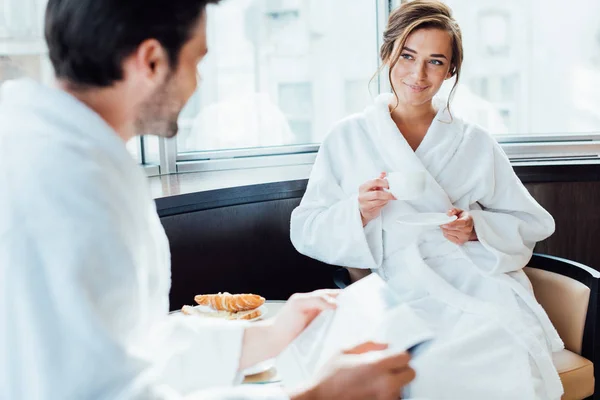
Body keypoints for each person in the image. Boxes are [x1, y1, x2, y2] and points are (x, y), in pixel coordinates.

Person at [0, 0, 416, 399]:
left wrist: (268, 335)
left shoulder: (65, 148)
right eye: (197, 61)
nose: (198, 82)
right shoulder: (62, 191)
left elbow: (127, 342)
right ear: (151, 61)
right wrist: (314, 397)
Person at [290, 1, 563, 399]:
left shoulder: (473, 141)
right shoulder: (347, 138)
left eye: (435, 61)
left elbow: (531, 221)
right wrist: (357, 212)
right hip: (393, 285)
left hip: (474, 278)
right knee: (425, 367)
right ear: (387, 55)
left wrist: (475, 229)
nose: (418, 75)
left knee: (501, 350)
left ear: (451, 70)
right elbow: (306, 227)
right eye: (407, 56)